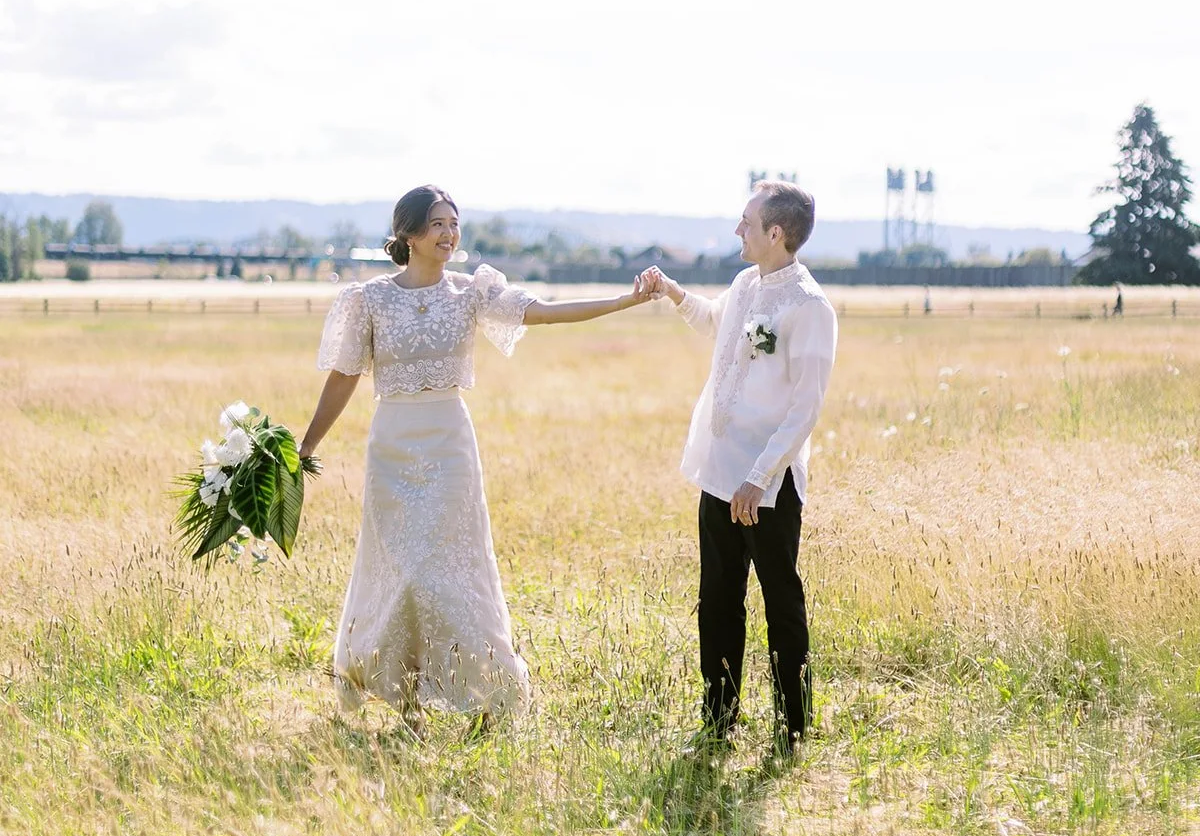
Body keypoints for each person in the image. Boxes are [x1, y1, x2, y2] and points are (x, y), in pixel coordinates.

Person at [299, 184, 654, 730]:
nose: (450, 234)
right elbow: (344, 376)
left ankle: (486, 690)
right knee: (400, 572)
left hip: (449, 447)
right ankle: (405, 700)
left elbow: (547, 313)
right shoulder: (368, 300)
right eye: (438, 224)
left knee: (448, 571)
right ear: (409, 234)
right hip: (391, 445)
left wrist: (624, 301)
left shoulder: (472, 292)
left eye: (454, 224)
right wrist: (308, 444)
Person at [641, 181, 837, 758]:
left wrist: (761, 476)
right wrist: (672, 293)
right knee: (719, 596)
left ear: (775, 233)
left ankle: (794, 727)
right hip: (719, 470)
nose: (737, 230)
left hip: (767, 483)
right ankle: (718, 719)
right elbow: (713, 323)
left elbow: (806, 407)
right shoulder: (744, 284)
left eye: (746, 222)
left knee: (780, 600)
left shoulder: (810, 307)